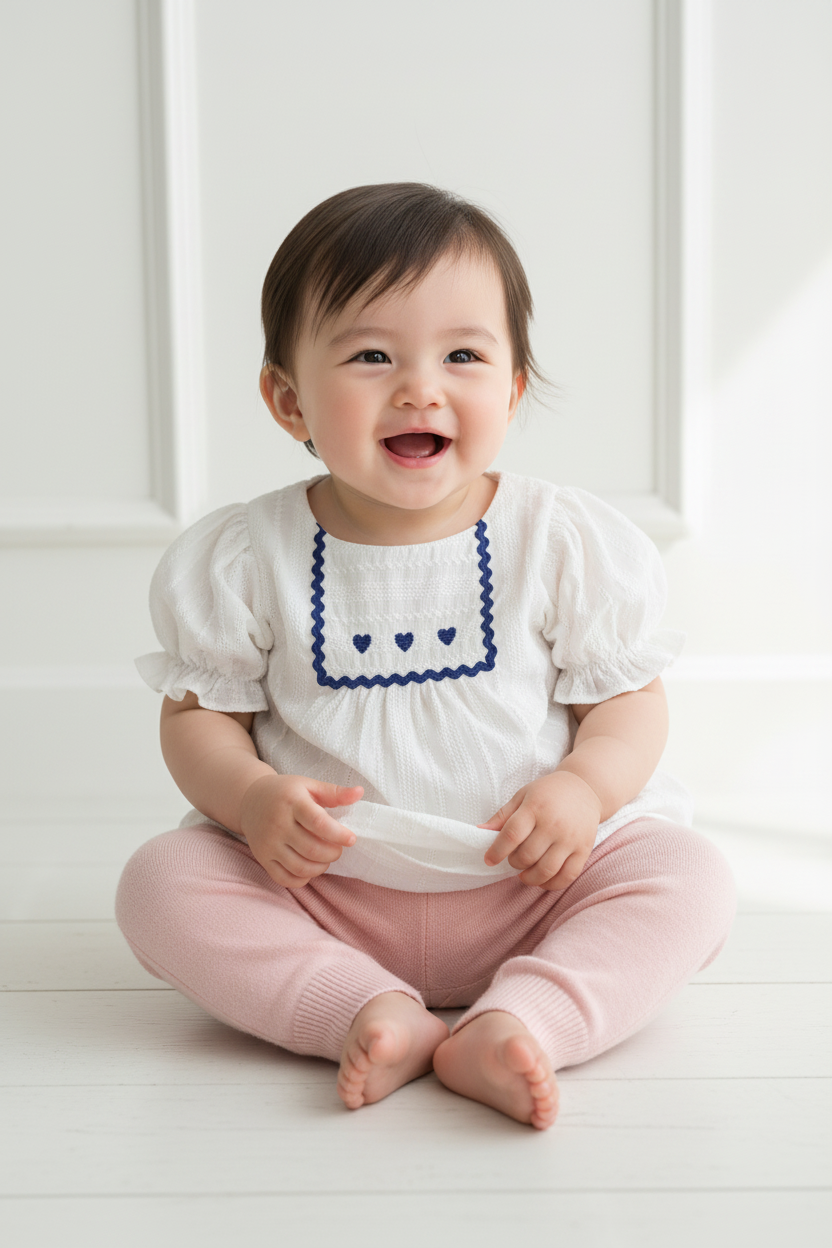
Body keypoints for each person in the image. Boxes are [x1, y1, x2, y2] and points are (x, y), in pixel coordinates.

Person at [116, 183, 735, 1131]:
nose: (421, 387)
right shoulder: (249, 554)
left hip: (536, 882)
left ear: (513, 386)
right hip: (326, 889)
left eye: (463, 356)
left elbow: (628, 701)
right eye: (371, 355)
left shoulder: (561, 540)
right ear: (289, 400)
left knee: (689, 877)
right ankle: (363, 1008)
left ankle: (522, 1021)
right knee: (161, 883)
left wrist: (584, 789)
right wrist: (248, 799)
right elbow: (201, 715)